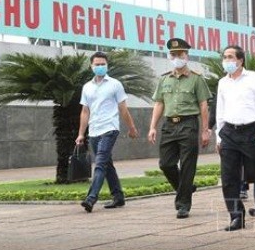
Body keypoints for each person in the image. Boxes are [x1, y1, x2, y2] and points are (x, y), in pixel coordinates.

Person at [148, 38, 211, 219]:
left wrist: (205, 130)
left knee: (187, 165)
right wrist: (152, 127)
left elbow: (203, 105)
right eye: (173, 54)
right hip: (169, 125)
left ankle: (183, 205)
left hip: (189, 124)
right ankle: (186, 189)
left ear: (186, 55)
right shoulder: (164, 79)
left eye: (180, 54)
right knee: (166, 164)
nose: (177, 57)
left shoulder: (196, 79)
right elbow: (159, 103)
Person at [215, 45, 255, 231]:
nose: (227, 60)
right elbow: (220, 111)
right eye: (225, 57)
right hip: (229, 133)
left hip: (252, 132)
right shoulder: (223, 82)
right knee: (229, 177)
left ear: (240, 60)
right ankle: (236, 217)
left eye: (230, 57)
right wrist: (219, 136)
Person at [76, 51, 138, 212]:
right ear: (91, 66)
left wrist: (131, 128)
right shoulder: (87, 87)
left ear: (107, 65)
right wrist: (81, 134)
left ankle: (91, 198)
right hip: (94, 131)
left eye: (103, 64)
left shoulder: (115, 84)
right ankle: (118, 197)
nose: (100, 67)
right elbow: (85, 111)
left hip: (110, 128)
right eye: (97, 64)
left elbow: (123, 109)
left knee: (100, 163)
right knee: (107, 165)